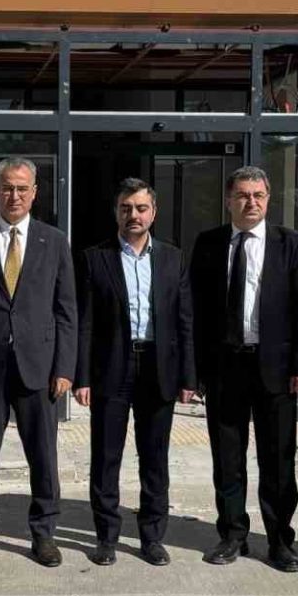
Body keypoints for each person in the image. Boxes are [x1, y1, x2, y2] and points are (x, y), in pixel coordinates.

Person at [0, 157, 77, 567]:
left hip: (38, 367)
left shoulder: (53, 241)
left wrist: (65, 368)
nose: (14, 195)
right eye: (7, 187)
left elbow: (66, 310)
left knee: (43, 456)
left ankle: (44, 534)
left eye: (22, 188)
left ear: (35, 192)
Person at [189, 165, 298, 571]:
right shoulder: (209, 243)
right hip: (224, 368)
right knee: (228, 458)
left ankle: (280, 540)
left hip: (276, 369)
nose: (251, 202)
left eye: (258, 195)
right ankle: (232, 535)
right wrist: (194, 372)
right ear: (229, 200)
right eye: (242, 195)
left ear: (268, 199)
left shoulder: (292, 244)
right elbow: (194, 310)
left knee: (278, 460)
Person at [73, 178, 196, 567]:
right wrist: (81, 376)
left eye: (141, 208)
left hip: (159, 368)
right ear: (116, 212)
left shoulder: (173, 258)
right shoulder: (95, 258)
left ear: (153, 213)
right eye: (126, 208)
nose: (134, 215)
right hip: (112, 367)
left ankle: (152, 537)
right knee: (106, 457)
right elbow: (85, 323)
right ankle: (106, 538)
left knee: (154, 458)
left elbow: (185, 321)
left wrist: (189, 377)